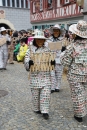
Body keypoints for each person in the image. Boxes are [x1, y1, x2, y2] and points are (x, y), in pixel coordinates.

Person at [61, 20, 87, 122]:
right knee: (84, 93)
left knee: (77, 94)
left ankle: (79, 115)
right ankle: (84, 110)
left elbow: (65, 62)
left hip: (74, 75)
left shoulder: (72, 46)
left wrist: (63, 52)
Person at [24, 30, 54, 120]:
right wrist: (28, 63)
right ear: (35, 40)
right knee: (35, 95)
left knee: (46, 94)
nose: (40, 41)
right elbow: (26, 62)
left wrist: (52, 63)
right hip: (34, 77)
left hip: (46, 76)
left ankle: (45, 111)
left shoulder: (47, 50)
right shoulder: (30, 50)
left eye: (42, 40)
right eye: (38, 39)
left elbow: (51, 62)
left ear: (44, 40)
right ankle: (36, 108)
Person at [46, 24, 66, 93]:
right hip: (51, 59)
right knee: (52, 74)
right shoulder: (49, 39)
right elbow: (46, 48)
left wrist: (63, 49)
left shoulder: (63, 39)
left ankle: (57, 86)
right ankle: (52, 87)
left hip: (59, 59)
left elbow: (65, 50)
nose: (56, 32)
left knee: (59, 74)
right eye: (54, 31)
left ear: (59, 31)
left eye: (57, 31)